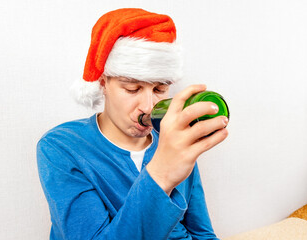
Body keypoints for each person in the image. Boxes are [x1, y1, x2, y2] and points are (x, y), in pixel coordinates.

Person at [37, 8, 228, 240]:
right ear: (102, 83)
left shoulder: (173, 139)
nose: (148, 106)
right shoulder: (62, 146)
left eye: (159, 89)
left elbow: (202, 233)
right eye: (132, 88)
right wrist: (161, 174)